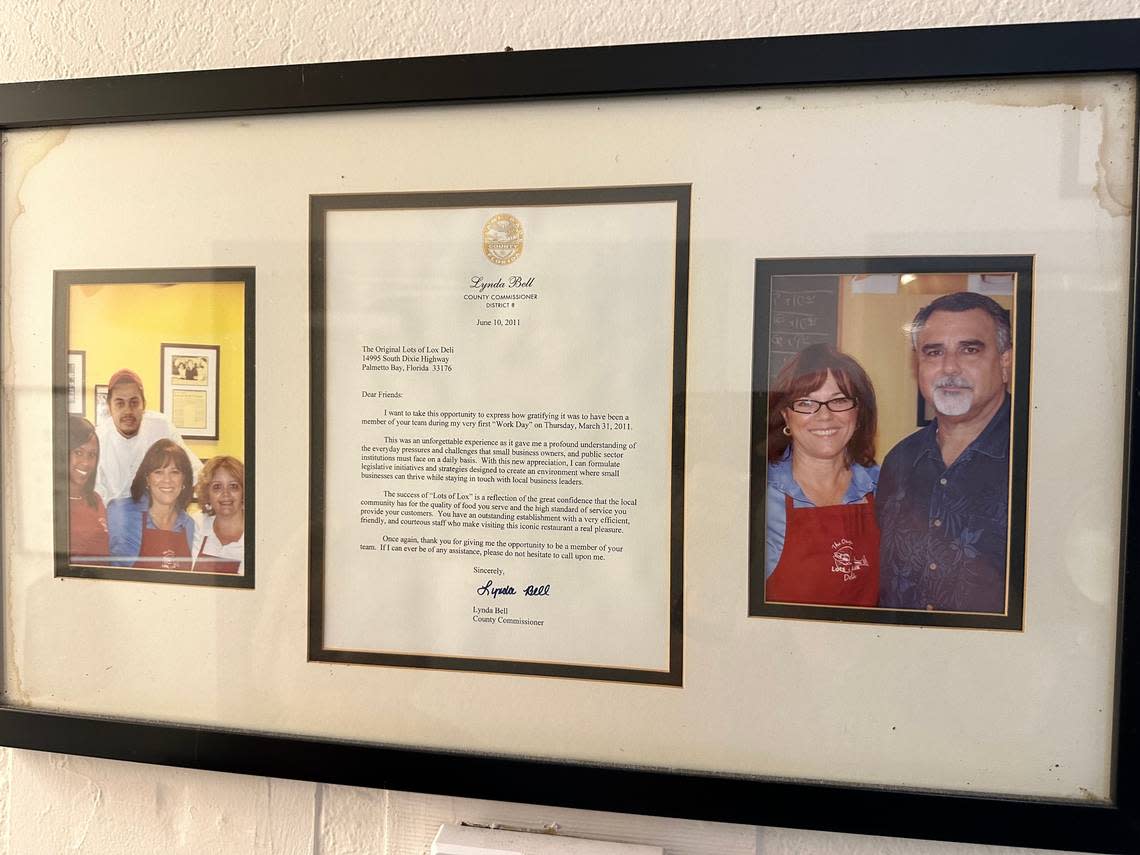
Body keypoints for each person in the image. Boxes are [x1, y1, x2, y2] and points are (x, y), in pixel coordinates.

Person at [877, 291, 1012, 613]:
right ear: (918, 366)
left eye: (969, 349)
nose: (949, 367)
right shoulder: (899, 461)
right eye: (933, 352)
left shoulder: (1039, 459)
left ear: (1005, 362)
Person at [765, 343, 880, 606]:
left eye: (839, 400)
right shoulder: (756, 496)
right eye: (806, 403)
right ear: (785, 414)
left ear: (858, 412)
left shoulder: (887, 487)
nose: (824, 416)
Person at [95, 368, 202, 503]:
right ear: (109, 407)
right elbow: (94, 494)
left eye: (134, 402)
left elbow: (195, 471)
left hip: (157, 514)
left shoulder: (161, 427)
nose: (128, 410)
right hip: (115, 517)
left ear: (144, 404)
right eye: (120, 403)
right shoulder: (99, 438)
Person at [106, 439, 196, 569]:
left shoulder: (189, 524)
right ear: (147, 478)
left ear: (184, 480)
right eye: (158, 472)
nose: (167, 480)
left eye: (175, 472)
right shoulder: (121, 512)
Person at [192, 456, 246, 574]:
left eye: (233, 486)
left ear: (244, 492)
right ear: (207, 494)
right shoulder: (197, 524)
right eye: (217, 487)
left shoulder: (258, 534)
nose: (225, 494)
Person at [67, 415, 109, 562]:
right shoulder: (50, 503)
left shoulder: (95, 500)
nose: (86, 462)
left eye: (92, 455)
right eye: (78, 452)